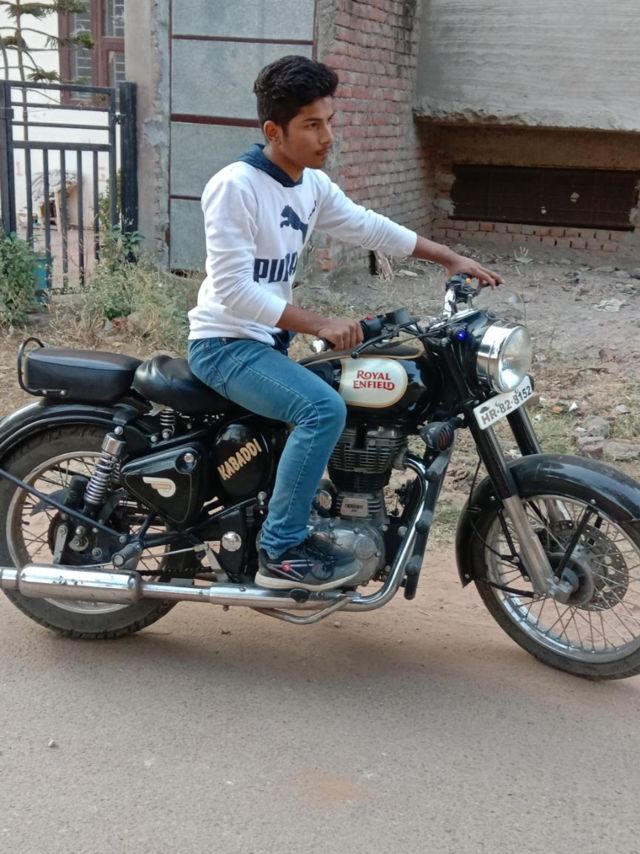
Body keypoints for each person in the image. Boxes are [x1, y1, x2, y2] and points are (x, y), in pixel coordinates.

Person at [188, 55, 502, 593]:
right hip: (224, 344)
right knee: (320, 408)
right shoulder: (235, 186)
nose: (327, 136)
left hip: (264, 342)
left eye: (329, 121)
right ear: (274, 130)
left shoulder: (311, 185)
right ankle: (280, 551)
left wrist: (448, 258)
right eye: (312, 124)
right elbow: (233, 291)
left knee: (347, 393)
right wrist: (321, 323)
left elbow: (368, 227)